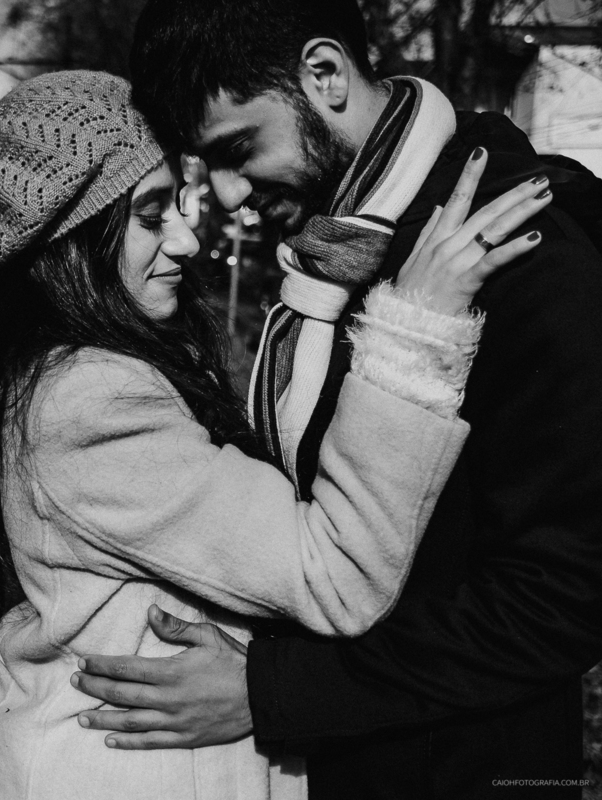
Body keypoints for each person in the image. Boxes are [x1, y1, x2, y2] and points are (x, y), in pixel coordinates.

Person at [0, 69, 551, 799]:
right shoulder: (92, 401)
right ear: (73, 241)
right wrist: (414, 332)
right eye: (149, 215)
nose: (184, 239)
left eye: (178, 204)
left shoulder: (67, 367)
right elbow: (337, 575)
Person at [70, 1, 602, 797]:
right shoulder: (342, 250)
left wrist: (273, 690)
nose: (226, 193)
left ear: (323, 75)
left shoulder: (518, 256)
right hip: (353, 758)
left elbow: (562, 598)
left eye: (239, 149)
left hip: (462, 769)